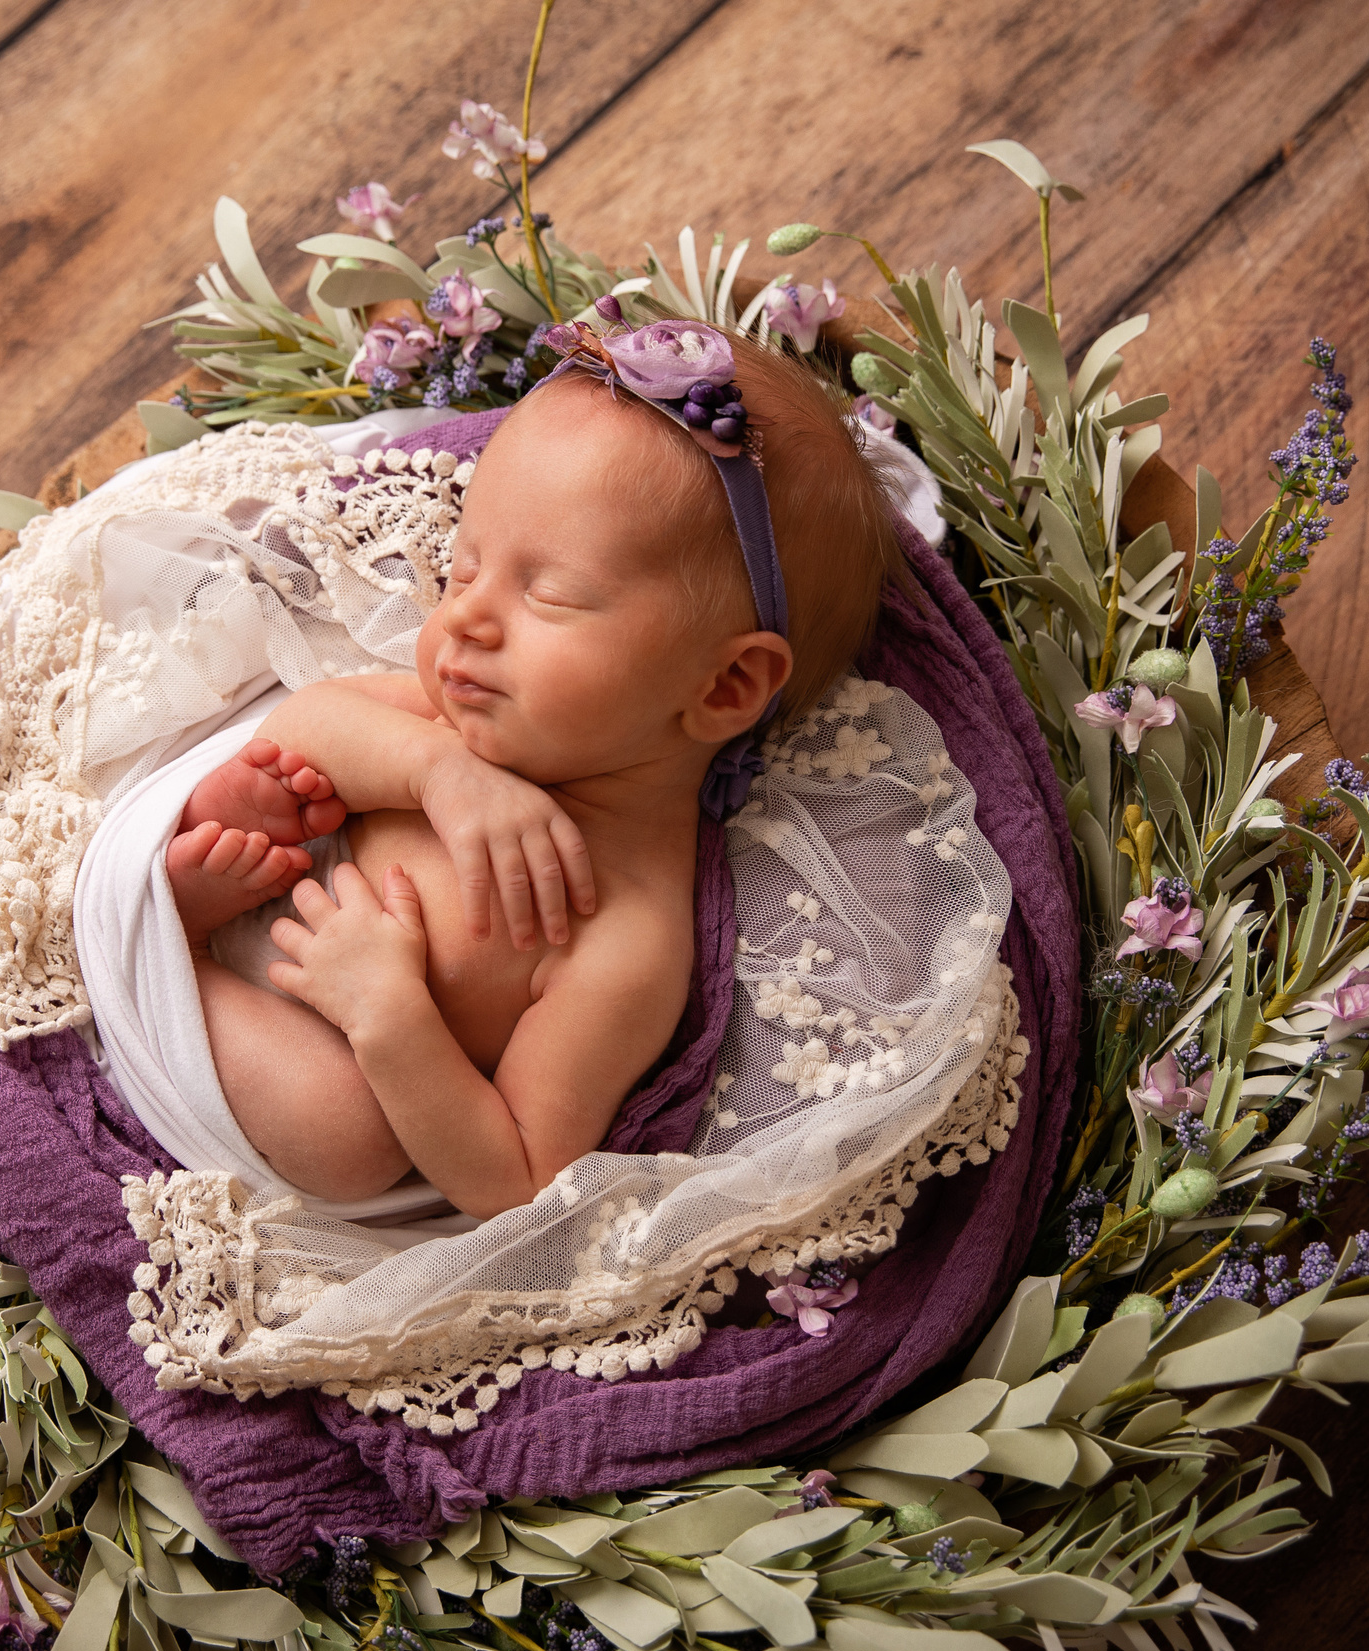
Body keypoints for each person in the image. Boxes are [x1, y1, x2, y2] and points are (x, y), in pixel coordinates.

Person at [163, 322, 903, 1218]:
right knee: (266, 774)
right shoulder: (461, 720)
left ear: (726, 687)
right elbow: (307, 723)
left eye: (548, 594)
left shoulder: (623, 934)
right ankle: (171, 910)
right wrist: (434, 769)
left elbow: (519, 1175)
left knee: (350, 1139)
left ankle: (179, 964)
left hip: (308, 1044)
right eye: (464, 568)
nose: (464, 619)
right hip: (266, 887)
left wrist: (389, 1017)